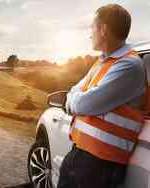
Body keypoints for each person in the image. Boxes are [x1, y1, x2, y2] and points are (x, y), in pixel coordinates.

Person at [57, 4, 146, 188]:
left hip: (101, 166)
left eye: (93, 27)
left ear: (103, 29)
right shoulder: (102, 62)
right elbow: (75, 90)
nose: (90, 33)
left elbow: (83, 103)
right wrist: (76, 97)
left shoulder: (129, 65)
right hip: (80, 155)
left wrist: (74, 99)